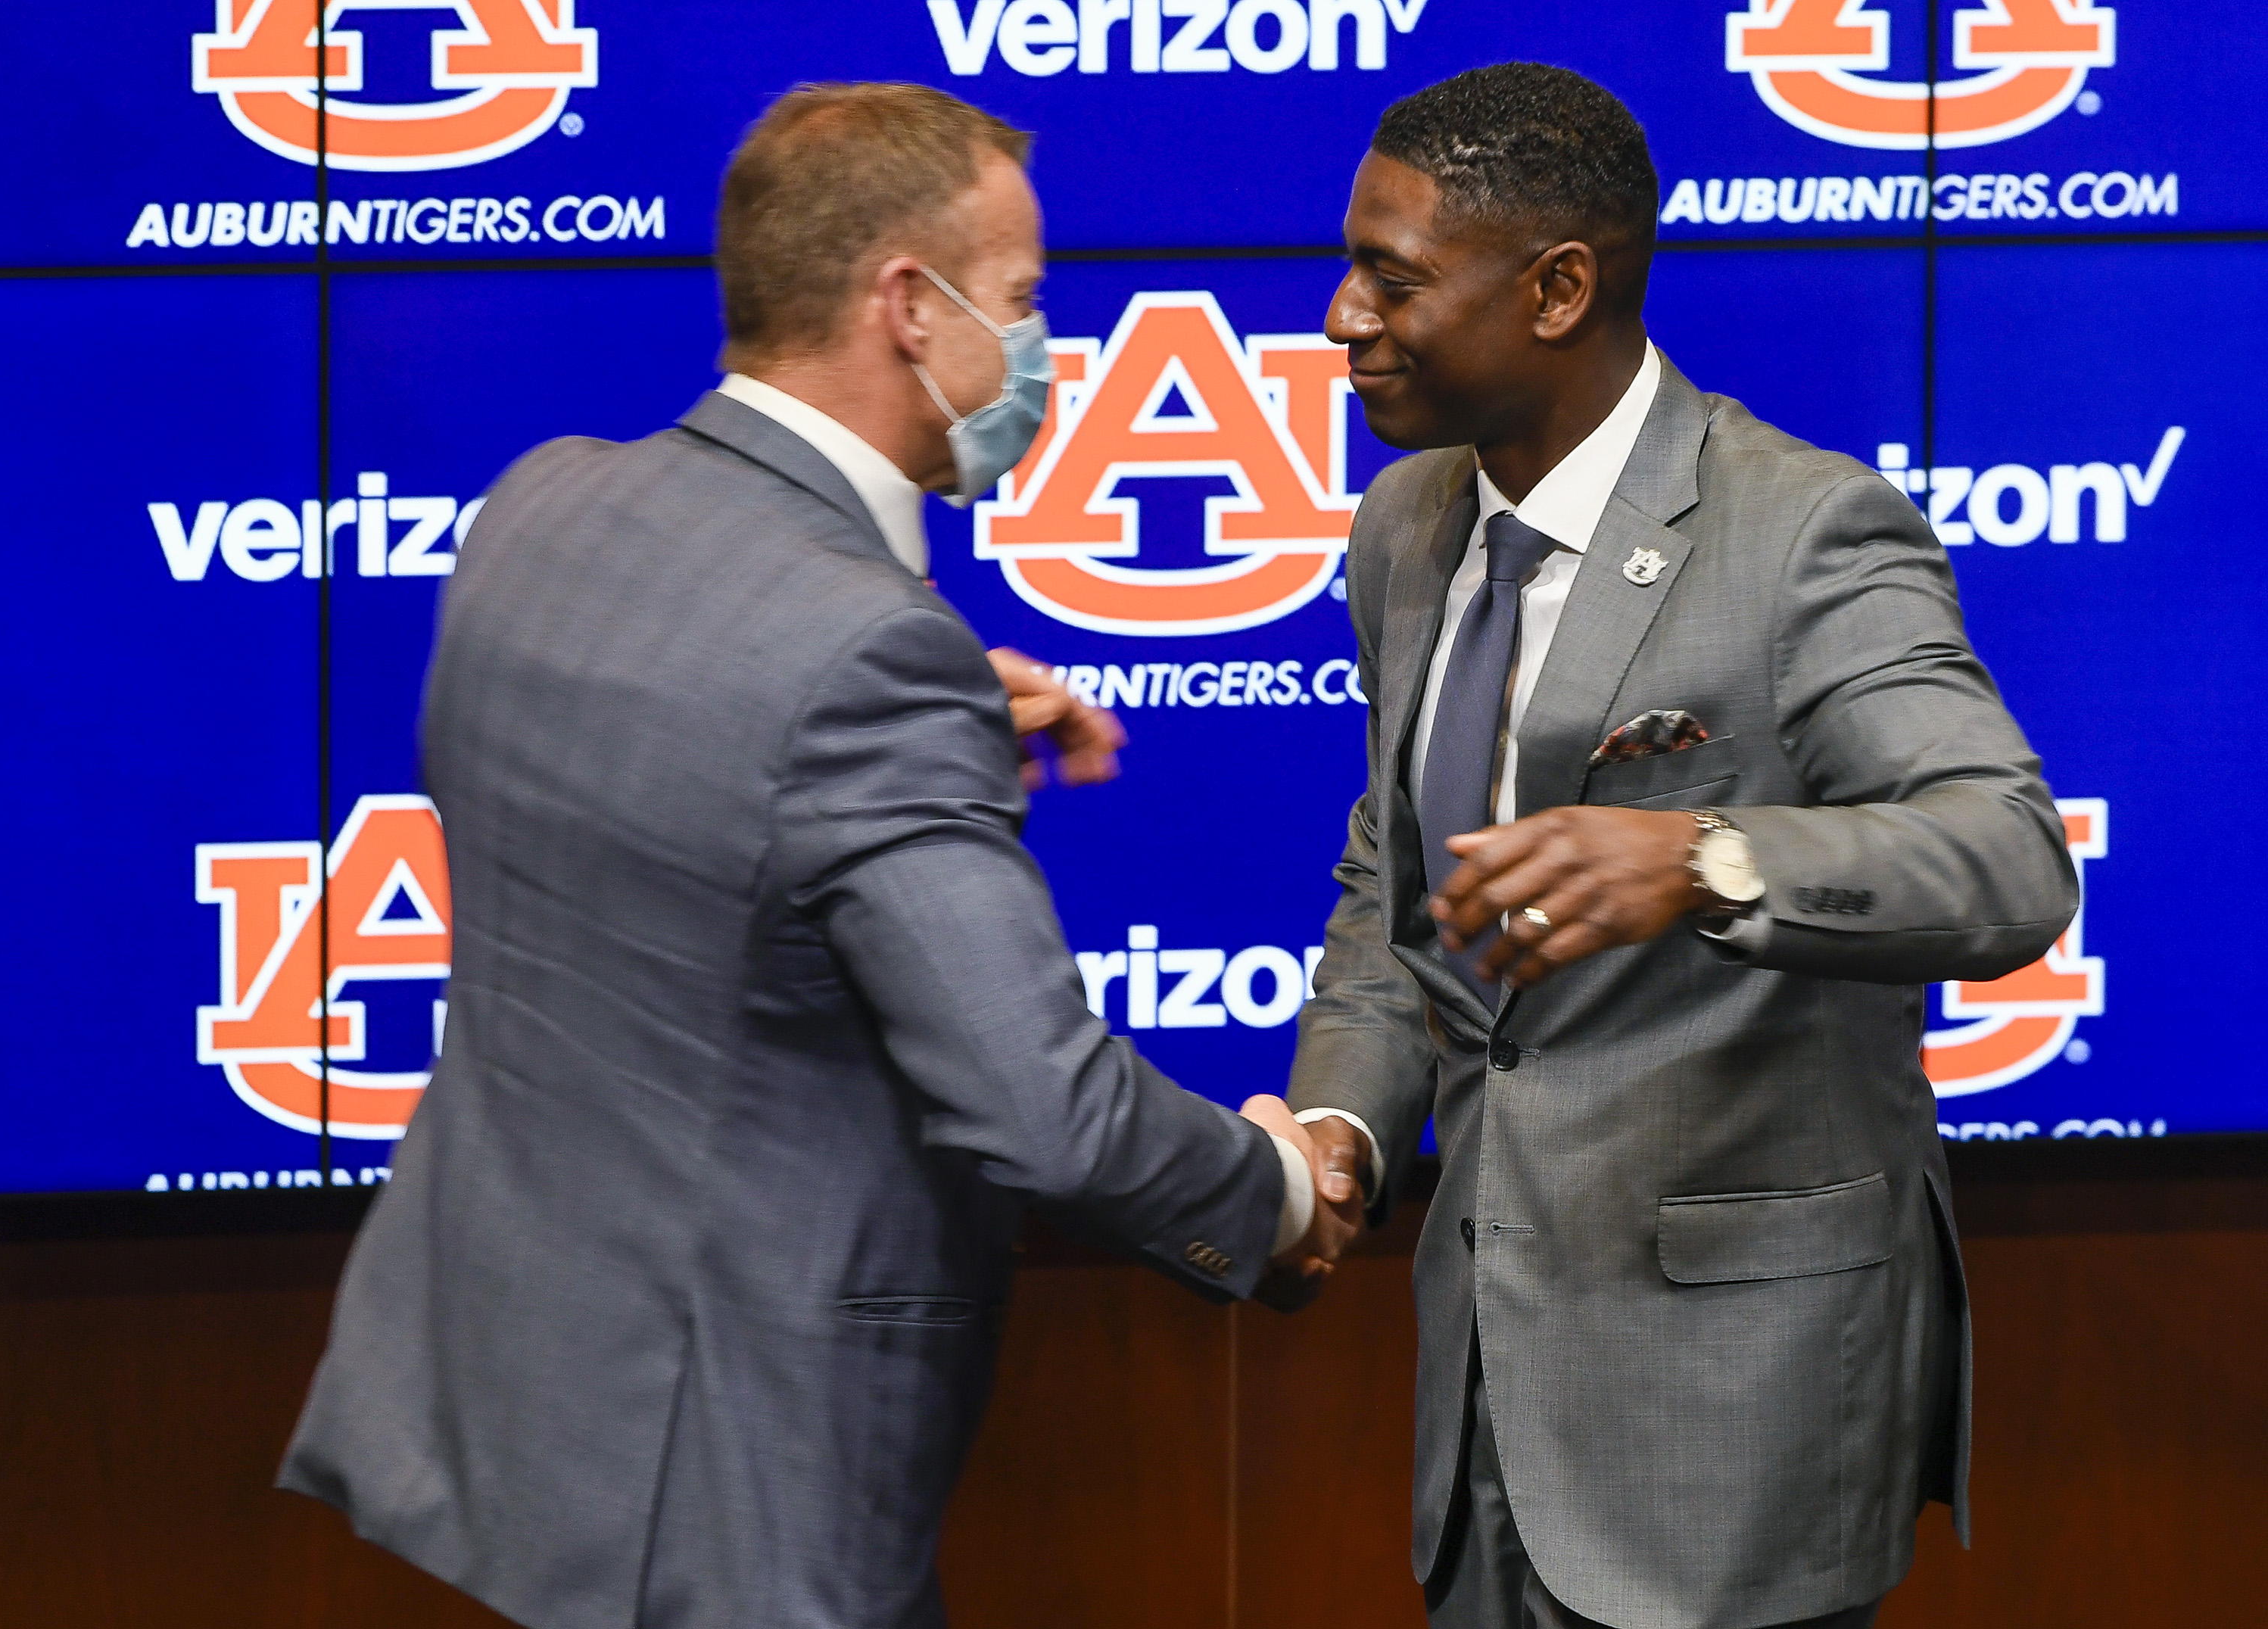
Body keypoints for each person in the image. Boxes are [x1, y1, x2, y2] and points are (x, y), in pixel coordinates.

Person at [279, 83, 1350, 1629]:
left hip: (511, 1407)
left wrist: (919, 708)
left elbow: (678, 782)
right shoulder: (864, 654)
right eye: (1026, 300)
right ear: (910, 308)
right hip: (726, 1483)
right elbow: (1042, 1108)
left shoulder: (547, 502)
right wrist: (1275, 1192)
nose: (1044, 348)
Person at [1285, 64, 2080, 1629]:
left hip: (1734, 1419)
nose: (1339, 315)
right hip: (1487, 1414)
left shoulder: (1803, 530)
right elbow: (1399, 886)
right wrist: (1339, 1133)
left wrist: (1707, 860)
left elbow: (2006, 856)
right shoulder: (1402, 528)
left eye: (1392, 275)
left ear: (1558, 287)